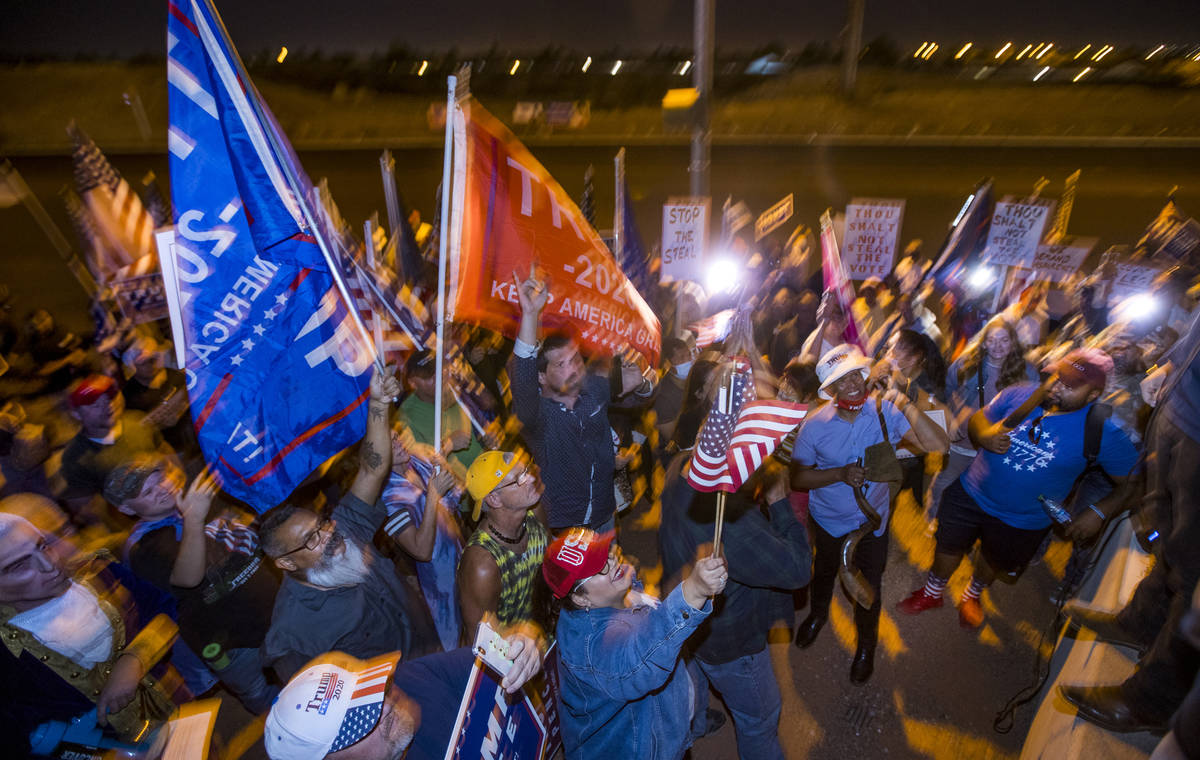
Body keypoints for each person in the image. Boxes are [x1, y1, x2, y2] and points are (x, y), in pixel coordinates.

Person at [898, 349, 1139, 630]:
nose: (1057, 386)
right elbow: (979, 418)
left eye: (1070, 384)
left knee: (992, 560)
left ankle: (972, 596)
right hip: (970, 494)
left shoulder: (1102, 432)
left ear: (1093, 395)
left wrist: (1099, 510)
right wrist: (984, 435)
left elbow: (1136, 483)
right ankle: (932, 592)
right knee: (947, 547)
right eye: (1058, 376)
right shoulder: (1022, 394)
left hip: (1022, 521)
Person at [1058, 313, 1200, 732]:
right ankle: (1140, 623)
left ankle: (1150, 701)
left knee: (1195, 573)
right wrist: (1175, 364)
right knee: (1170, 540)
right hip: (1181, 408)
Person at [258, 366, 440, 682]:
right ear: (286, 562)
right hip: (398, 705)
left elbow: (372, 469)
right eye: (311, 540)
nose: (328, 536)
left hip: (433, 651)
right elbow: (311, 702)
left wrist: (379, 406)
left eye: (322, 524)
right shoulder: (293, 634)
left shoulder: (346, 529)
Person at [791, 344, 948, 683]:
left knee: (869, 587)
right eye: (841, 380)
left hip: (871, 524)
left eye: (856, 375)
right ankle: (818, 615)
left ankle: (866, 647)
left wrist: (903, 401)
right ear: (829, 390)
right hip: (829, 521)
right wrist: (838, 474)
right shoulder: (814, 425)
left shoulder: (885, 412)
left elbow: (937, 445)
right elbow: (798, 477)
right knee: (824, 572)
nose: (853, 384)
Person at [660, 449, 812, 760]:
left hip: (688, 618)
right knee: (759, 720)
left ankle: (696, 723)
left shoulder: (681, 464)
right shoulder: (731, 524)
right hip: (731, 643)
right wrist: (780, 502)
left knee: (693, 677)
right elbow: (797, 570)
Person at [0, 511, 188, 755]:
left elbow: (163, 607)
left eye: (43, 546)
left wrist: (135, 659)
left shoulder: (97, 572)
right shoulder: (6, 649)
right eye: (20, 565)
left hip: (178, 709)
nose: (50, 564)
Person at [104, 455, 280, 714]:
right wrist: (194, 519)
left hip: (276, 612)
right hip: (237, 645)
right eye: (148, 491)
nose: (162, 489)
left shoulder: (196, 501)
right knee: (266, 697)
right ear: (127, 509)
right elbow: (188, 579)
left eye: (160, 479)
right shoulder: (144, 546)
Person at [545, 527, 727, 760]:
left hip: (664, 732)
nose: (611, 562)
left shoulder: (613, 596)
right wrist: (693, 592)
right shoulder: (592, 647)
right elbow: (640, 658)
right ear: (580, 598)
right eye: (599, 568)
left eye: (605, 553)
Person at [510, 264, 655, 532]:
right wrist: (530, 315)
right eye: (561, 364)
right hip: (564, 525)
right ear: (542, 377)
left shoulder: (594, 389)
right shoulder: (537, 415)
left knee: (610, 572)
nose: (574, 368)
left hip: (604, 513)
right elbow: (522, 379)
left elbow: (641, 399)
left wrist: (642, 383)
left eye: (576, 359)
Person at [263, 632, 543, 760]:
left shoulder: (409, 679)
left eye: (369, 694)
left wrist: (518, 651)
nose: (385, 706)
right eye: (362, 719)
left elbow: (486, 659)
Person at [927, 316, 1039, 521]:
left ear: (1013, 343)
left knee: (984, 490)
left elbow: (1033, 405)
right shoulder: (966, 364)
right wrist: (951, 418)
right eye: (992, 339)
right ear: (984, 342)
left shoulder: (1027, 372)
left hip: (997, 445)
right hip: (962, 440)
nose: (998, 346)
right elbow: (947, 391)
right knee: (946, 481)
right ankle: (935, 519)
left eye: (1004, 340)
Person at [381, 426, 464, 653]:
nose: (398, 443)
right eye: (389, 444)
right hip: (439, 585)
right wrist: (433, 495)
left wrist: (444, 463)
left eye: (395, 437)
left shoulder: (416, 462)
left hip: (460, 560)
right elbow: (421, 550)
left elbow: (455, 499)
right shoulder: (388, 498)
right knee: (455, 647)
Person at [59, 374, 178, 526]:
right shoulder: (75, 457)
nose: (108, 405)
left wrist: (180, 483)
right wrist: (126, 529)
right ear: (76, 413)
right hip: (148, 525)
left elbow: (165, 451)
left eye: (109, 397)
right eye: (95, 404)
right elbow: (88, 508)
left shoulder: (136, 422)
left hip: (174, 502)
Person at [457, 450, 549, 638]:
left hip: (543, 635)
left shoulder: (533, 511)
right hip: (512, 656)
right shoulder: (482, 564)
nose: (531, 479)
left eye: (526, 470)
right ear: (494, 499)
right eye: (520, 479)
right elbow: (480, 640)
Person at [396, 348, 483, 479]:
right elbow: (421, 463)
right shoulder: (406, 416)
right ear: (413, 383)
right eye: (429, 376)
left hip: (485, 472)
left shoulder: (450, 392)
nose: (438, 378)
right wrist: (449, 444)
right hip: (462, 490)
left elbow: (469, 434)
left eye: (439, 370)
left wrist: (485, 435)